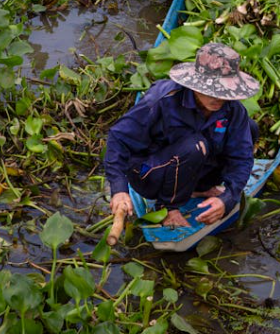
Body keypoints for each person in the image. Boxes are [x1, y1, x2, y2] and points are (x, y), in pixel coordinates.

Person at [105, 42, 261, 228]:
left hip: (197, 170)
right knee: (195, 145)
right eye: (210, 91)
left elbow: (242, 158)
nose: (217, 98)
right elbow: (118, 138)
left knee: (250, 129)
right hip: (153, 174)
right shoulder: (163, 99)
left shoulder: (233, 109)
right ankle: (169, 207)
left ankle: (199, 189)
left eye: (223, 92)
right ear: (195, 84)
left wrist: (227, 198)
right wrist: (119, 189)